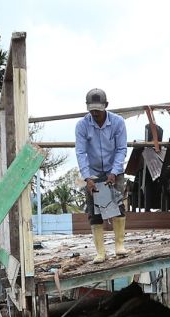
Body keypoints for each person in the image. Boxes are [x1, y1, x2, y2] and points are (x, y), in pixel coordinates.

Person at [74, 88, 128, 263]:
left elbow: (121, 149)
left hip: (114, 170)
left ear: (106, 105)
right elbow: (81, 153)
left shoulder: (118, 122)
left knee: (117, 206)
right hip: (93, 173)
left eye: (98, 109)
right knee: (94, 211)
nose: (95, 113)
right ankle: (100, 253)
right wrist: (87, 178)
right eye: (92, 110)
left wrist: (114, 172)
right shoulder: (82, 125)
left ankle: (119, 246)